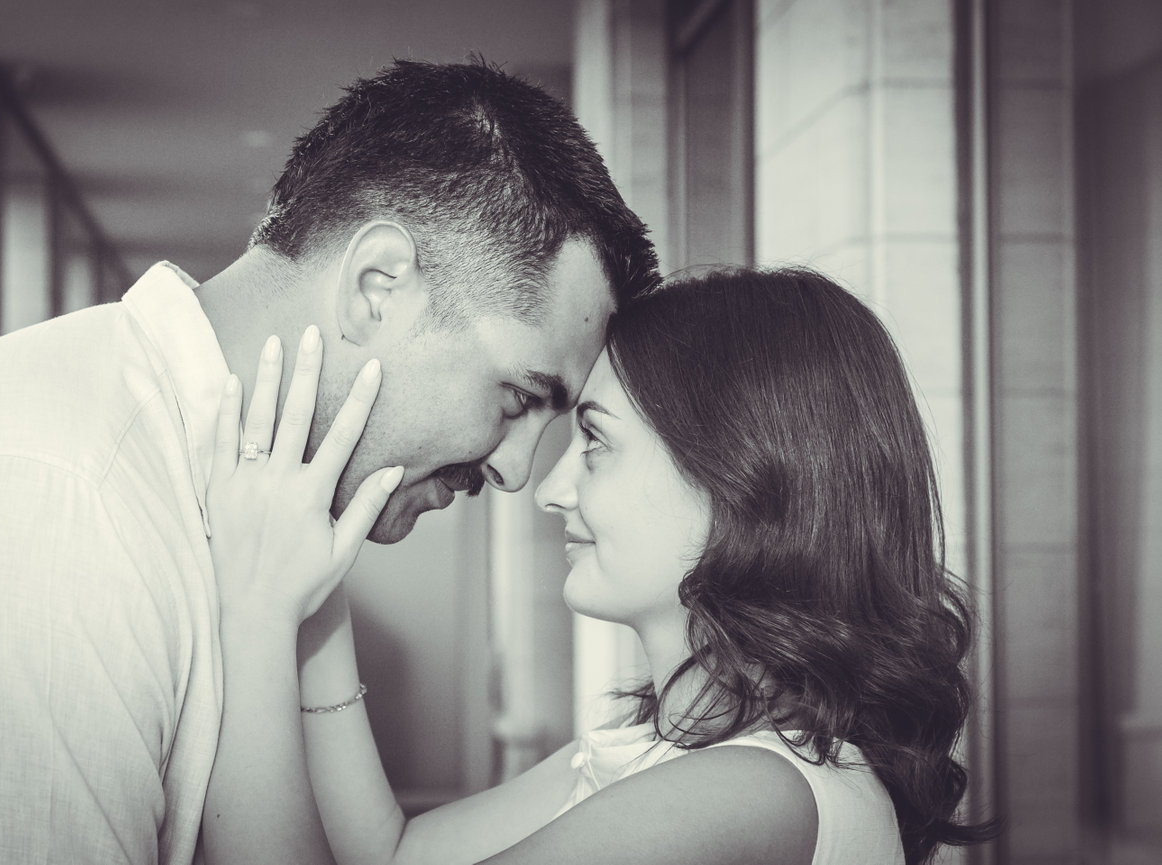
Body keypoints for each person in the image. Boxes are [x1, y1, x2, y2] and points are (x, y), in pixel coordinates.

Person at [0, 59, 657, 863]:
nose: (517, 473)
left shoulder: (234, 506)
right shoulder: (54, 504)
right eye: (520, 399)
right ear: (377, 287)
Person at [203, 267, 998, 865]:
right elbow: (393, 853)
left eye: (596, 443)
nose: (549, 488)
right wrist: (321, 566)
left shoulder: (750, 792)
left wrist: (256, 619)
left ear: (736, 482)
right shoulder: (656, 749)